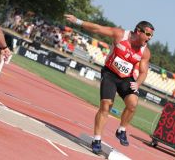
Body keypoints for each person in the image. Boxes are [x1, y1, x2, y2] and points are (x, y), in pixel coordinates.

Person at [65, 14, 154, 154]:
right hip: (110, 74)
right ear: (138, 31)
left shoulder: (145, 52)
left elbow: (143, 72)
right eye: (148, 34)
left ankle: (121, 130)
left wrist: (137, 84)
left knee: (133, 104)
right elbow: (97, 29)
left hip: (126, 78)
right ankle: (97, 140)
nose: (149, 38)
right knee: (106, 105)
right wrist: (78, 21)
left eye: (151, 36)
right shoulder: (120, 35)